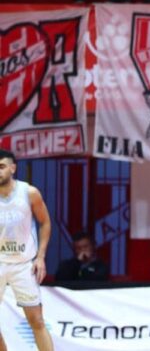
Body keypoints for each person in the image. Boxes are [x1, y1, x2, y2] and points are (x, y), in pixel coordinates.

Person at [0, 150, 54, 351]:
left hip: (23, 264)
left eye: (2, 166)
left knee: (37, 321)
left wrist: (40, 257)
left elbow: (45, 222)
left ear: (13, 168)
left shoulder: (29, 192)